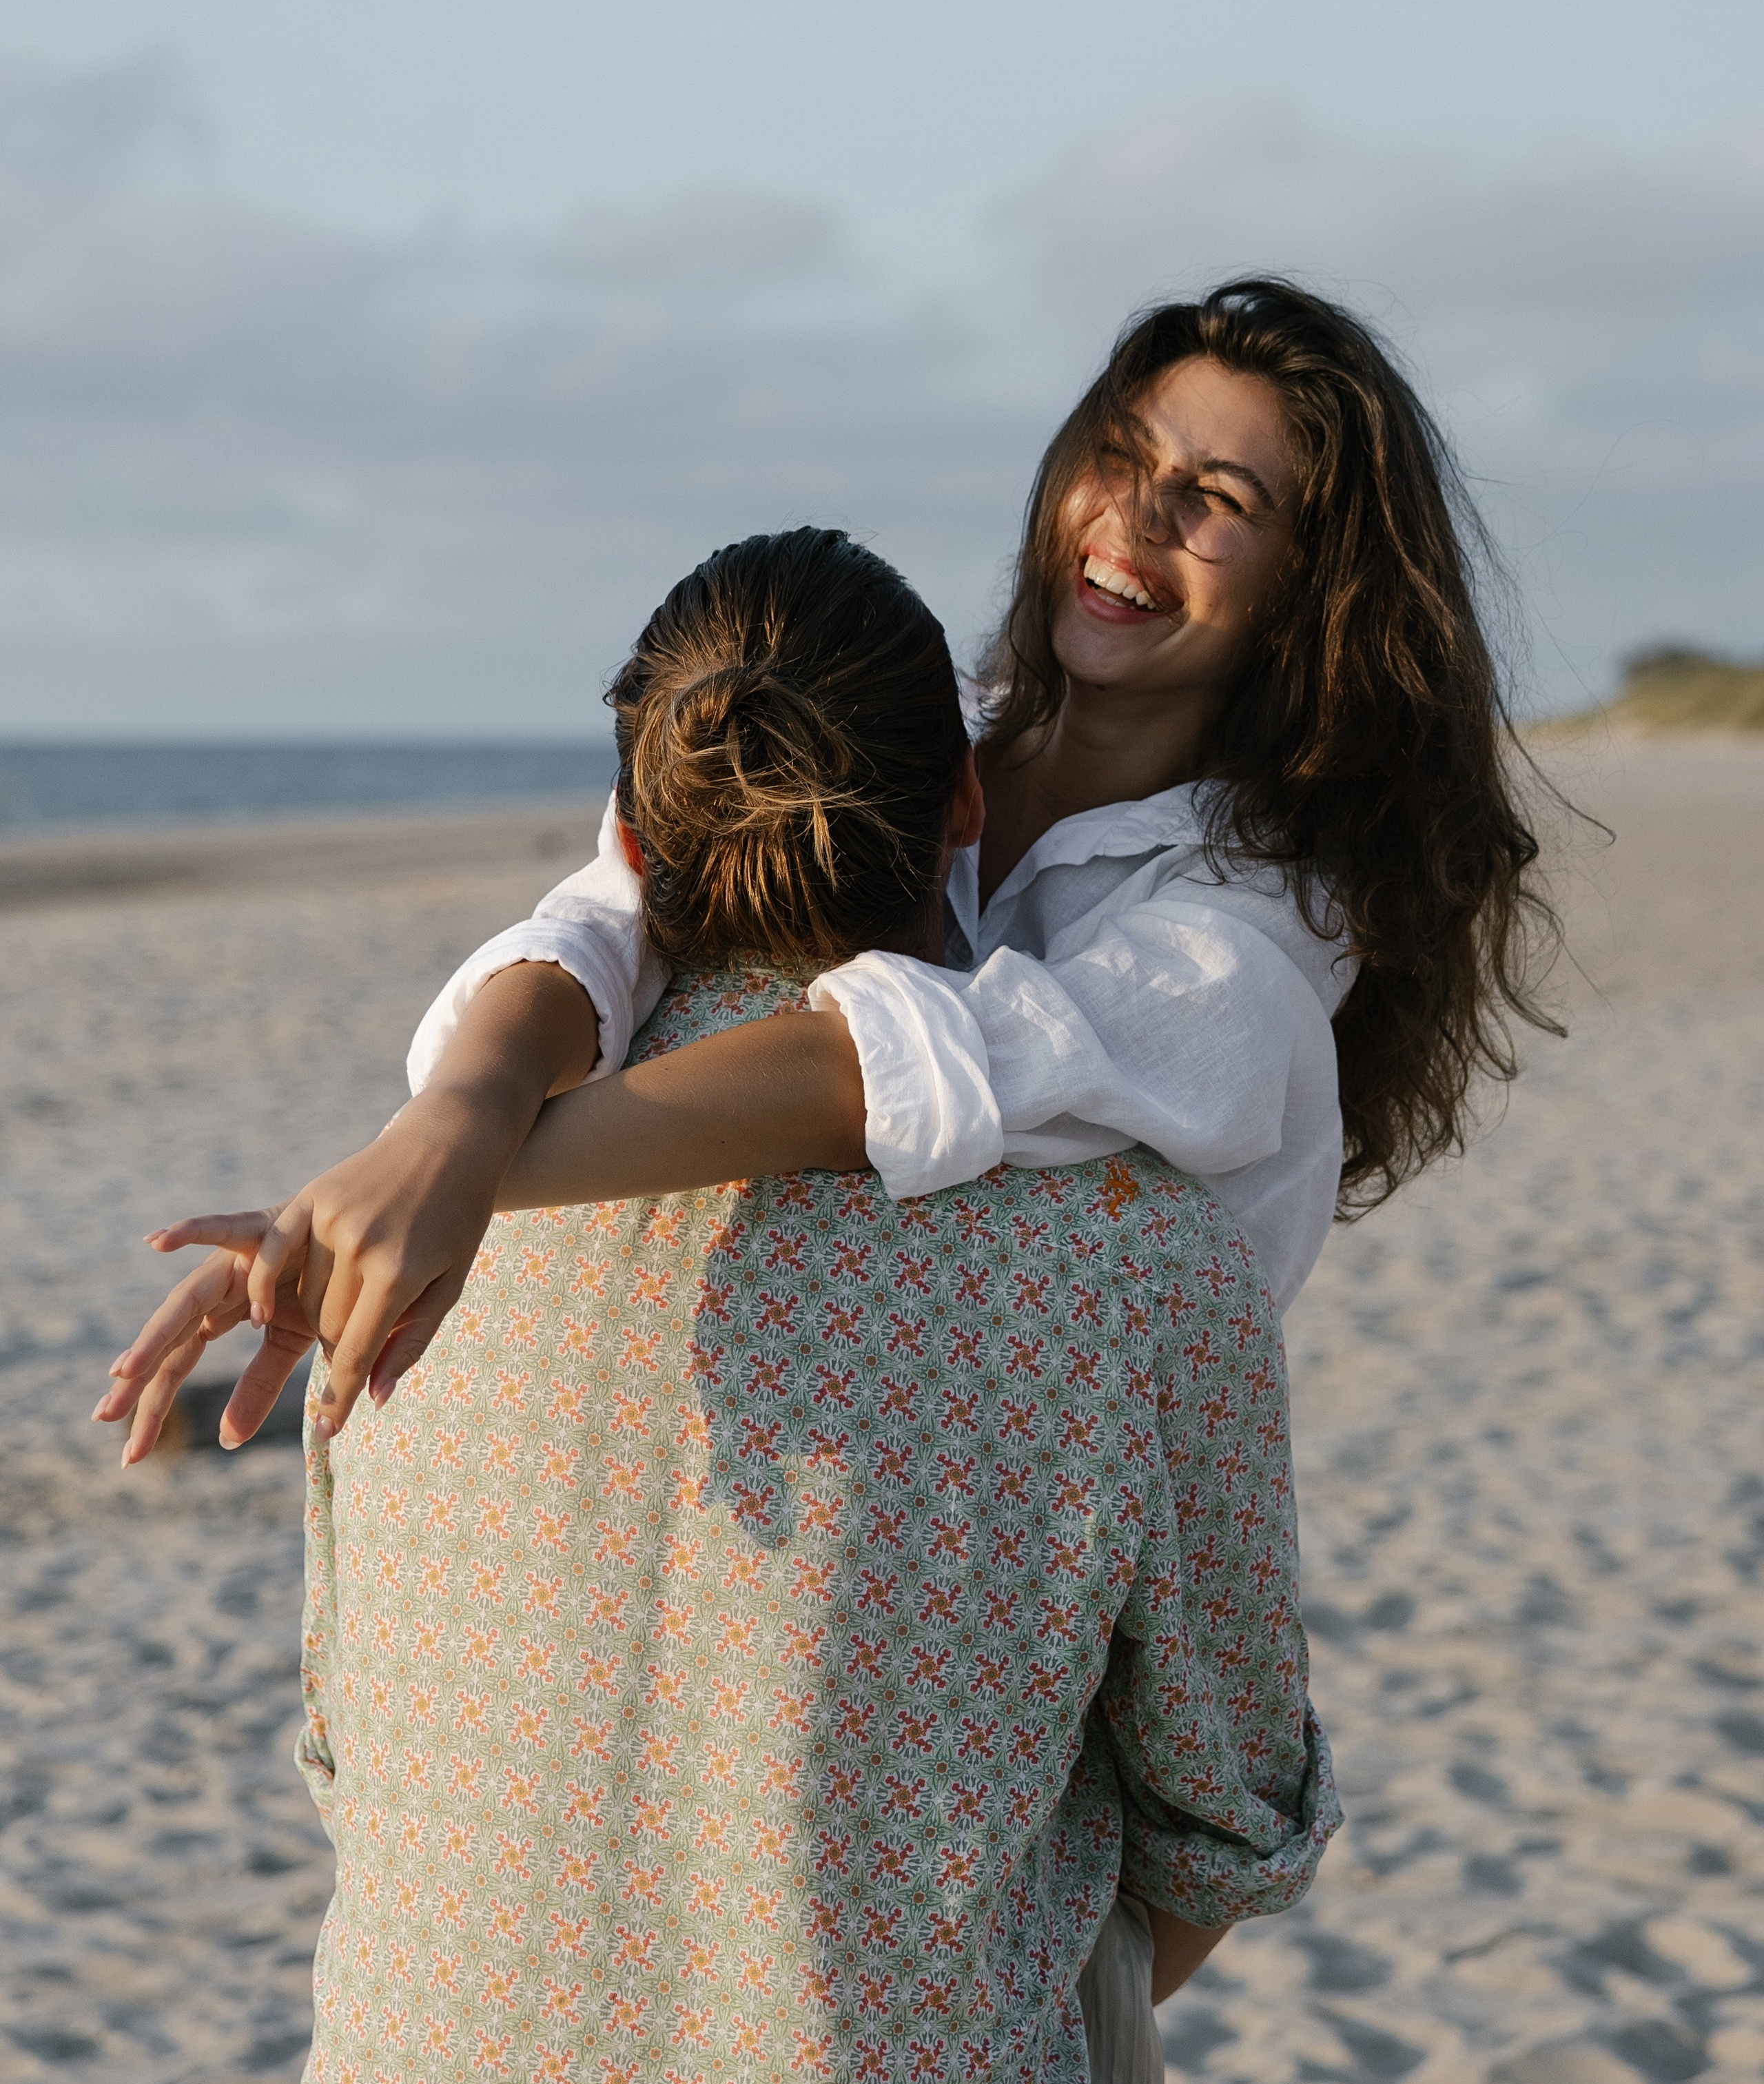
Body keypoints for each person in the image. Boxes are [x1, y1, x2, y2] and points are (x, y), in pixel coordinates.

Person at [117, 529, 1342, 2084]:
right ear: (962, 807)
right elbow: (1228, 1826)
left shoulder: (400, 1234)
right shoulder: (1137, 1259)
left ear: (628, 839)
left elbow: (349, 1755)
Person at [103, 276, 1556, 1458]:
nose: (1135, 515)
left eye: (1217, 496)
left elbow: (922, 1062)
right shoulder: (925, 729)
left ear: (1314, 586)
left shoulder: (1270, 912)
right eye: (1119, 455)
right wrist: (453, 1117)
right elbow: (618, 904)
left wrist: (458, 1174)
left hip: (1043, 1515)